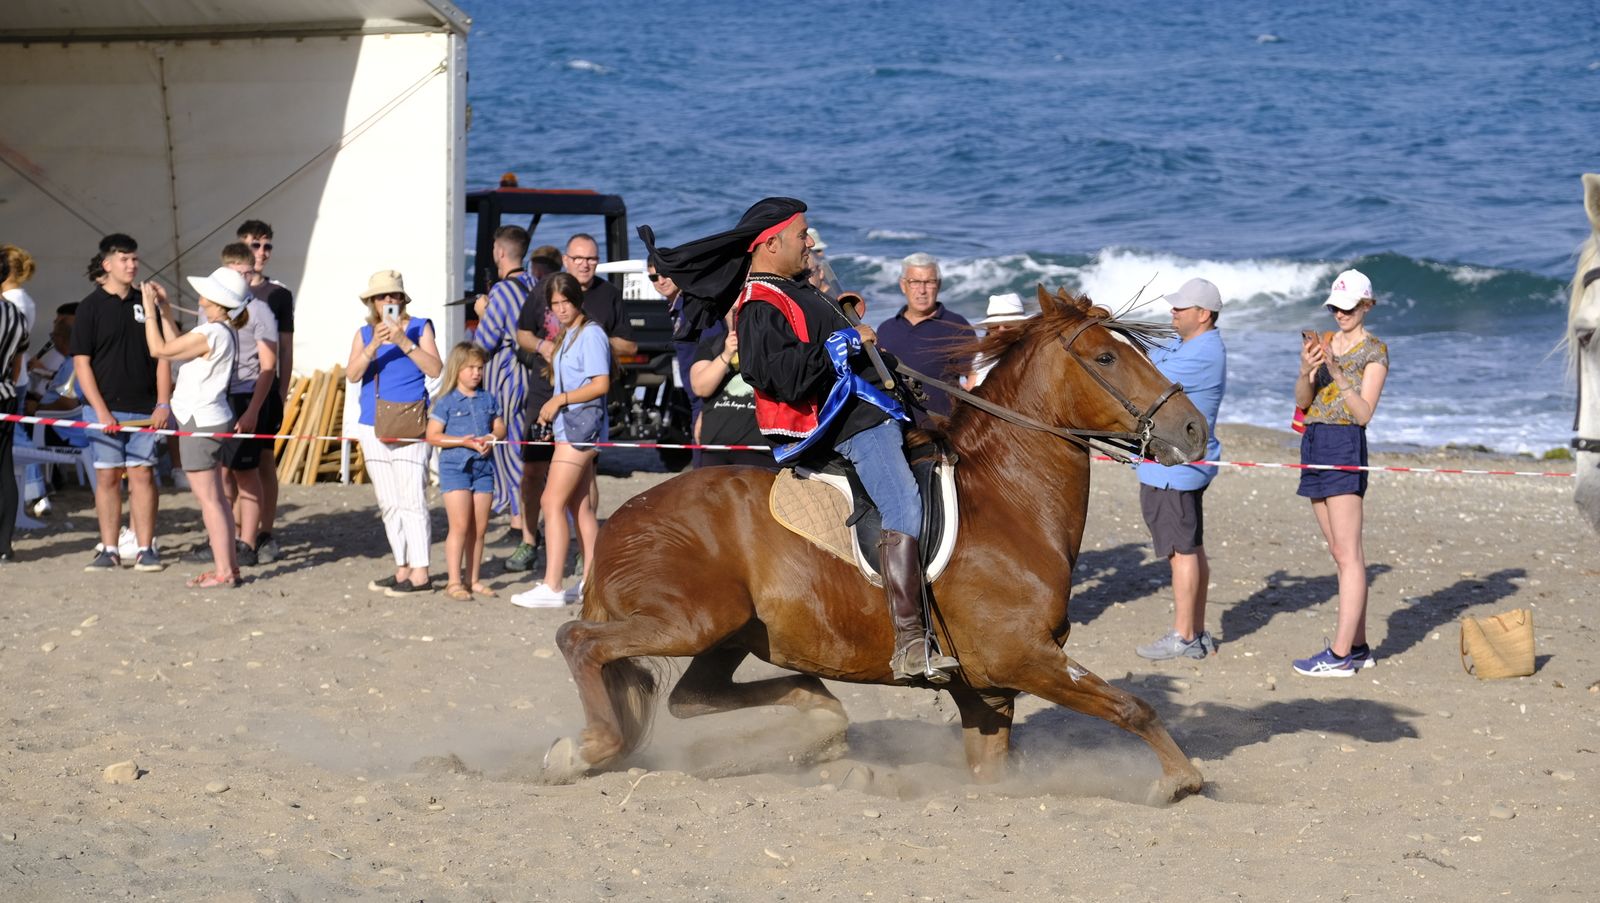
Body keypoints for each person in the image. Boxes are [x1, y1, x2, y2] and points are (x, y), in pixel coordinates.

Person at [648, 197, 957, 683]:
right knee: (903, 506)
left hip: (867, 409)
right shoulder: (759, 305)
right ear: (771, 244)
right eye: (802, 235)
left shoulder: (793, 288)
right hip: (839, 425)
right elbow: (780, 377)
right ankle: (911, 640)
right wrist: (849, 341)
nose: (808, 242)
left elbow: (836, 344)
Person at [1292, 269, 1389, 677]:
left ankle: (1339, 655)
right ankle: (1359, 646)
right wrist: (1305, 369)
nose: (1339, 314)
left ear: (1366, 306)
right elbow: (1303, 401)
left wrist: (1335, 371)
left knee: (1349, 554)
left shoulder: (1375, 350)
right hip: (1314, 439)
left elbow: (1364, 413)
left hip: (1345, 442)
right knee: (1339, 551)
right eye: (1335, 307)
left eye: (1347, 308)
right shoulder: (1326, 342)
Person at [1131, 278, 1228, 661]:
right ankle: (1196, 631)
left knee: (1182, 553)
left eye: (1180, 308)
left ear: (1202, 315)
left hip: (1175, 468)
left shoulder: (1202, 352)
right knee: (1190, 549)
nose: (1172, 312)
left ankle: (1185, 635)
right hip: (1176, 466)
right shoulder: (1187, 344)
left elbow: (1147, 380)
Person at [142, 267, 250, 587]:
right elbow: (176, 348)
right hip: (208, 418)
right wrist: (163, 311)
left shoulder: (212, 332)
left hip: (201, 421)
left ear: (216, 300)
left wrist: (149, 311)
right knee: (215, 498)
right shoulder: (216, 330)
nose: (200, 297)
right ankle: (228, 568)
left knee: (210, 500)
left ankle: (224, 572)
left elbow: (159, 350)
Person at [71, 233, 172, 572]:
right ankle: (110, 548)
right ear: (107, 264)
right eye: (124, 259)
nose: (131, 265)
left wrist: (162, 403)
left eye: (134, 259)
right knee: (108, 478)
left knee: (143, 475)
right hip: (105, 409)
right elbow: (81, 363)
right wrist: (100, 410)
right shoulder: (89, 308)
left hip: (145, 408)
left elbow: (164, 356)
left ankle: (145, 548)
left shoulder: (146, 303)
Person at [510, 273, 610, 609]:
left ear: (577, 300)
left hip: (582, 429)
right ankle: (590, 583)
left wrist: (559, 400)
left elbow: (601, 384)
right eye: (555, 304)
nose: (561, 309)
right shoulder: (568, 334)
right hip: (570, 428)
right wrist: (554, 409)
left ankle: (552, 585)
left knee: (551, 502)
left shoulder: (591, 333)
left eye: (565, 301)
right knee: (578, 506)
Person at [344, 270, 443, 597]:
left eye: (394, 296)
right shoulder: (363, 333)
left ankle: (420, 572)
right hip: (372, 423)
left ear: (402, 299)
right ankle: (402, 566)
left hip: (408, 421)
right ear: (372, 302)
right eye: (382, 297)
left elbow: (435, 369)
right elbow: (353, 374)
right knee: (388, 501)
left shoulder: (419, 326)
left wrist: (403, 341)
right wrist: (374, 344)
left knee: (412, 497)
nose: (389, 301)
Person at [186, 243, 279, 568]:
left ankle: (248, 542)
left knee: (247, 473)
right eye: (234, 273)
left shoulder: (260, 311)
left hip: (247, 394)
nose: (241, 278)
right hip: (219, 395)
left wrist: (254, 410)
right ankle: (223, 536)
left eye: (245, 273)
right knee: (221, 473)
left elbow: (268, 365)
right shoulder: (211, 308)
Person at [504, 244, 567, 573]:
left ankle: (582, 549)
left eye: (545, 270)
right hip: (542, 392)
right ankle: (528, 539)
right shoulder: (538, 295)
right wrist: (544, 346)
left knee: (580, 476)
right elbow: (522, 335)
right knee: (532, 471)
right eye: (537, 271)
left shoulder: (583, 297)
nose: (540, 277)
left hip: (576, 397)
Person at [472, 225, 535, 550]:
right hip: (531, 380)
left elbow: (483, 344)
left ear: (500, 252)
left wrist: (482, 313)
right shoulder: (534, 283)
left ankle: (522, 522)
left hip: (507, 381)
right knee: (521, 447)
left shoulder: (502, 292)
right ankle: (519, 519)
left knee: (510, 449)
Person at [427, 343, 505, 601]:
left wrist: (492, 437)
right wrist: (463, 441)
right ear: (457, 369)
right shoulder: (446, 401)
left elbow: (500, 426)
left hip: (484, 469)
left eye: (480, 368)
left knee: (479, 528)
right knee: (459, 526)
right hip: (455, 469)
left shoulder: (488, 398)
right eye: (470, 367)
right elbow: (433, 436)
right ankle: (453, 581)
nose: (476, 373)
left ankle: (473, 579)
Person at [237, 220, 293, 564]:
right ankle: (233, 532)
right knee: (230, 466)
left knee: (263, 461)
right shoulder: (225, 289)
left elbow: (285, 349)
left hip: (264, 387)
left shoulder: (278, 294)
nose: (262, 252)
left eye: (267, 246)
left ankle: (265, 533)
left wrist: (281, 392)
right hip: (230, 389)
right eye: (255, 245)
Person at [875, 252, 972, 422]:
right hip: (898, 429)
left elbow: (974, 378)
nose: (922, 290)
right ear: (903, 285)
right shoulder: (886, 329)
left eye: (929, 282)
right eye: (915, 282)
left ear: (938, 285)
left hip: (945, 429)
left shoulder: (957, 326)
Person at [689, 311, 775, 468]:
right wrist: (727, 354)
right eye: (733, 309)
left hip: (758, 448)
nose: (738, 314)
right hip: (716, 446)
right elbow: (700, 388)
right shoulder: (712, 344)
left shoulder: (771, 344)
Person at [562, 233, 637, 360]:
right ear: (565, 260)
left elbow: (630, 347)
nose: (585, 265)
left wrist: (594, 340)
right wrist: (543, 346)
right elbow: (524, 334)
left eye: (591, 259)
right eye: (578, 258)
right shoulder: (548, 289)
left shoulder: (610, 293)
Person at [0, 250, 27, 563]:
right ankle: (4, 543)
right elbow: (17, 366)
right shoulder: (15, 314)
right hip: (6, 393)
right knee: (4, 469)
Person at [968, 292, 1029, 387]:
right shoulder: (981, 357)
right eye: (995, 326)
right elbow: (970, 388)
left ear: (1021, 326)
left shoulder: (1031, 355)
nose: (1001, 331)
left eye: (1008, 325)